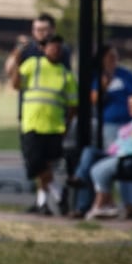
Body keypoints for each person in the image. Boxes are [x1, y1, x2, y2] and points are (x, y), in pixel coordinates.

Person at [9, 33, 78, 216]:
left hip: (54, 127)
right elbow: (16, 84)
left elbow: (72, 105)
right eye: (52, 47)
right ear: (44, 49)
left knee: (45, 166)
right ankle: (58, 193)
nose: (55, 51)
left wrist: (66, 125)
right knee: (35, 164)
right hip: (32, 124)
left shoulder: (65, 74)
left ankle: (43, 204)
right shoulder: (34, 65)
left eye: (58, 48)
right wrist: (16, 62)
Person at [84, 88, 132, 221]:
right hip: (119, 155)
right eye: (129, 105)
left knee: (100, 169)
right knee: (91, 155)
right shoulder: (131, 124)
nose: (130, 108)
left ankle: (101, 205)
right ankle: (106, 204)